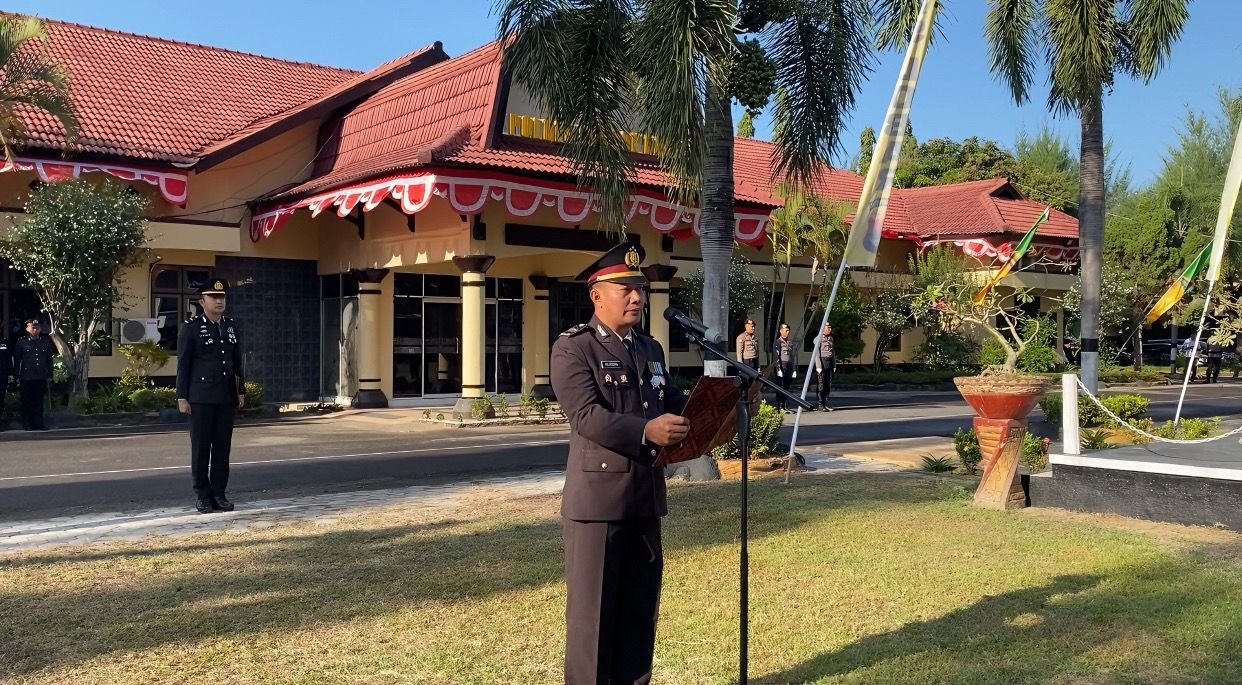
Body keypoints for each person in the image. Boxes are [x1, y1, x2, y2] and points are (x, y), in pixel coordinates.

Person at [550, 242, 690, 685]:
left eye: (641, 289)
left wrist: (723, 403)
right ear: (597, 295)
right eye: (625, 288)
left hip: (645, 501)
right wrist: (646, 431)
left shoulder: (650, 349)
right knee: (593, 623)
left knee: (638, 615)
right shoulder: (574, 348)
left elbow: (671, 402)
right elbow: (587, 416)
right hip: (598, 507)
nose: (636, 297)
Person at [176, 278, 245, 514]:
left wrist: (241, 391)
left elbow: (237, 362)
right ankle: (202, 495)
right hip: (201, 397)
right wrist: (181, 396)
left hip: (226, 396)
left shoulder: (231, 326)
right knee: (201, 447)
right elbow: (183, 364)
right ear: (201, 301)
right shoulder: (192, 327)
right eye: (213, 297)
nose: (219, 301)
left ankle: (219, 493)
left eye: (222, 297)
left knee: (222, 448)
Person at [14, 319, 53, 431]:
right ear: (27, 328)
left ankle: (39, 423)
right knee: (27, 401)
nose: (35, 330)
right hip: (26, 376)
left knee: (39, 401)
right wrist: (16, 376)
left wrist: (50, 374)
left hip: (40, 376)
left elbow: (49, 360)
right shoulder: (22, 342)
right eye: (33, 327)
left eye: (37, 327)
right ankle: (28, 424)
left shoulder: (45, 342)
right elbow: (17, 360)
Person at [772, 322, 796, 413]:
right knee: (780, 388)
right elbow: (776, 357)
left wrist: (794, 369)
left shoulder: (789, 343)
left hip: (789, 366)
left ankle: (785, 406)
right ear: (780, 331)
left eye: (788, 330)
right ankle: (779, 407)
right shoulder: (777, 342)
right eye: (785, 330)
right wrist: (778, 369)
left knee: (787, 388)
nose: (787, 332)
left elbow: (792, 357)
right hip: (781, 366)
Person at [813, 322, 836, 411]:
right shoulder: (818, 339)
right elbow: (816, 353)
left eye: (830, 327)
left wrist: (834, 364)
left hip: (829, 363)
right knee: (821, 384)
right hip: (822, 362)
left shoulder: (831, 339)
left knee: (828, 384)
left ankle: (825, 402)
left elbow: (833, 353)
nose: (829, 329)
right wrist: (818, 366)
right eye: (828, 327)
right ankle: (820, 404)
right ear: (823, 328)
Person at [0, 334, 11, 431]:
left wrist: (10, 373)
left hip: (1, 376)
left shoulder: (4, 342)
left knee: (0, 399)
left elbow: (8, 359)